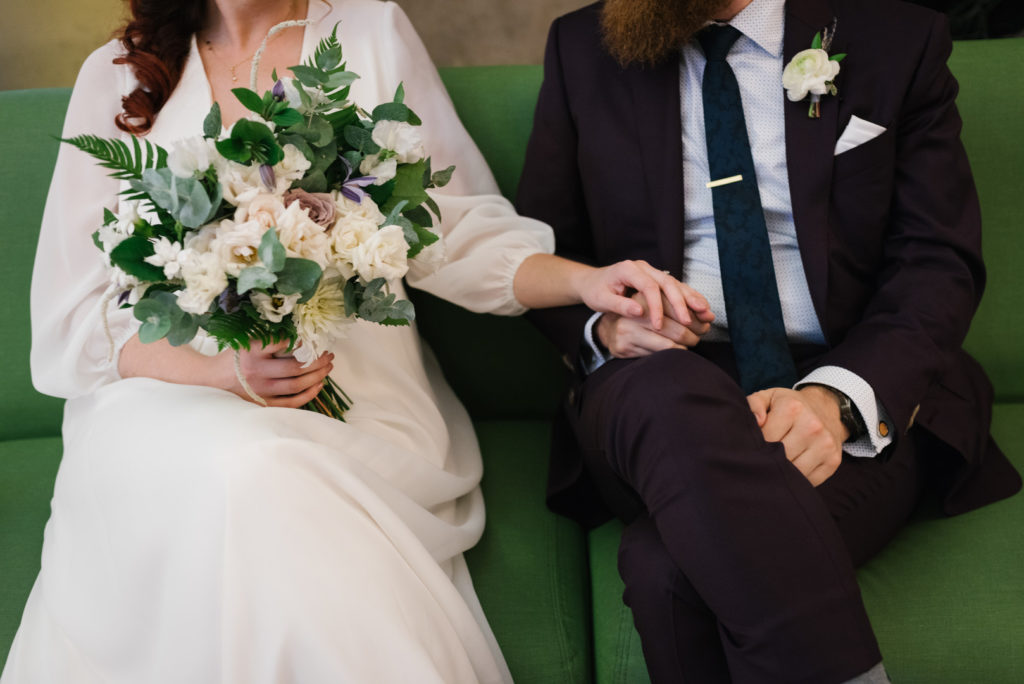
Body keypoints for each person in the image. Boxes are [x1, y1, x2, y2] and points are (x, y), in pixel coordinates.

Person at [1, 1, 694, 682]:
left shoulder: (369, 28)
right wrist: (223, 374)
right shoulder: (116, 75)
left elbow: (449, 231)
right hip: (161, 400)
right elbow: (72, 320)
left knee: (263, 471)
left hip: (352, 397)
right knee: (243, 468)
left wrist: (589, 283)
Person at [516, 0, 1022, 682]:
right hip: (653, 384)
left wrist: (835, 401)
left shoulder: (894, 34)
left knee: (668, 571)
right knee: (669, 389)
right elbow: (542, 251)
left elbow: (937, 261)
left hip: (844, 371)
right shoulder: (586, 45)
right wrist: (605, 324)